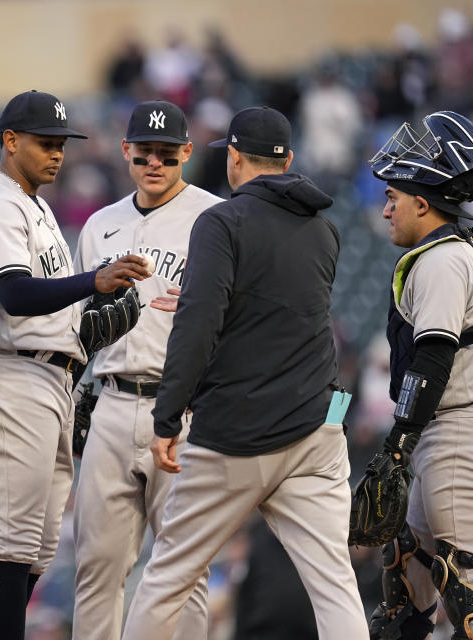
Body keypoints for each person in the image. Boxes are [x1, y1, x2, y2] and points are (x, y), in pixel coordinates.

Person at [119, 106, 369, 640]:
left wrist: (166, 418)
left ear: (233, 157)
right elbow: (273, 313)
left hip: (238, 433)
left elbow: (199, 325)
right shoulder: (324, 230)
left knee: (167, 578)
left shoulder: (221, 221)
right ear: (289, 161)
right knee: (335, 587)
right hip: (317, 430)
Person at [0, 89, 151, 639]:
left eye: (61, 143)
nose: (57, 153)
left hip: (47, 377)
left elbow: (46, 311)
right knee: (14, 545)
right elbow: (14, 295)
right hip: (10, 376)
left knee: (37, 548)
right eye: (45, 143)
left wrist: (89, 327)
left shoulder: (34, 205)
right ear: (9, 141)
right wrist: (95, 280)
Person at [71, 100, 221, 640]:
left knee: (185, 568)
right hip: (111, 401)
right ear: (125, 152)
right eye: (144, 153)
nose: (153, 163)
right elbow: (79, 323)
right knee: (96, 566)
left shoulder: (213, 218)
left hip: (181, 409)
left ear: (186, 152)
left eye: (165, 153)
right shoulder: (98, 225)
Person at [365, 110, 473, 640]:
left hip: (455, 430)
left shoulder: (444, 258)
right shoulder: (441, 255)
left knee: (463, 580)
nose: (386, 210)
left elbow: (434, 355)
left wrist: (399, 440)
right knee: (409, 575)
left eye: (393, 199)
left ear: (423, 203)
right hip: (442, 429)